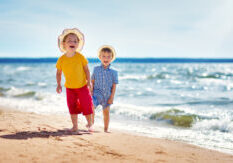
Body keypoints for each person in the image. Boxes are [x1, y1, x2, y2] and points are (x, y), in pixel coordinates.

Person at [56, 28, 93, 132]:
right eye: (69, 41)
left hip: (82, 86)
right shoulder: (61, 59)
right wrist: (59, 84)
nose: (73, 43)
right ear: (64, 44)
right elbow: (58, 73)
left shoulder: (80, 57)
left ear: (78, 44)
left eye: (75, 41)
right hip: (70, 88)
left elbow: (87, 70)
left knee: (86, 105)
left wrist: (89, 81)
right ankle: (75, 126)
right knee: (72, 107)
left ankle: (89, 124)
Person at [91, 45, 118, 132]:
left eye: (108, 57)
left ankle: (105, 129)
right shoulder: (96, 69)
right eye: (103, 56)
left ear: (112, 58)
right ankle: (91, 126)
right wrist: (90, 93)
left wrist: (112, 97)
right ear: (100, 57)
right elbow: (92, 82)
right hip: (96, 94)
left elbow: (114, 85)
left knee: (106, 113)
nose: (106, 58)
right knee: (91, 108)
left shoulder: (114, 72)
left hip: (107, 96)